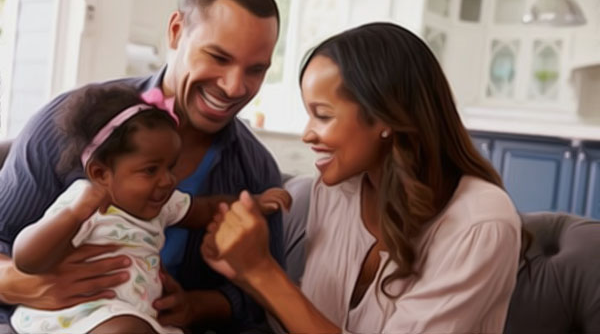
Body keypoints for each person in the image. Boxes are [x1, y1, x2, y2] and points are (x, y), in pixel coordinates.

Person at [0, 0, 283, 333]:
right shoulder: (74, 122)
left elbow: (265, 300)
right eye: (218, 57)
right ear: (177, 32)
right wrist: (13, 280)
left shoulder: (255, 172)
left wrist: (197, 306)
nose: (234, 87)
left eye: (256, 70)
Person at [201, 22, 522, 333]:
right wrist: (245, 271)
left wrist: (263, 271)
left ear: (386, 115)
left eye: (323, 115)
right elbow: (309, 320)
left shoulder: (479, 223)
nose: (307, 134)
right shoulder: (334, 191)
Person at [9, 84, 290, 334]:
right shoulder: (84, 202)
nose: (168, 179)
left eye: (170, 167)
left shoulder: (163, 205)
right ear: (101, 173)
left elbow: (207, 209)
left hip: (141, 316)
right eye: (150, 170)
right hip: (82, 317)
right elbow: (26, 258)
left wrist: (252, 203)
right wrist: (73, 216)